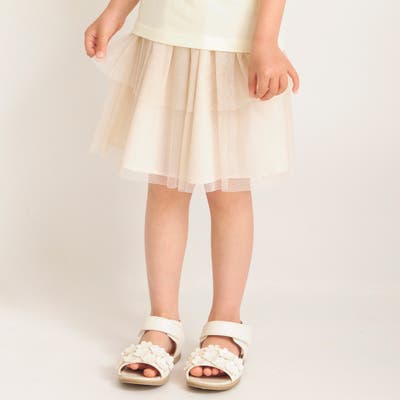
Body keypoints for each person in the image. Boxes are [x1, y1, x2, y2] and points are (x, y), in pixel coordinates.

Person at [84, 0, 299, 391]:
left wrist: (266, 41)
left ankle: (226, 321)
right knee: (165, 185)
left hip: (232, 42)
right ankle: (162, 320)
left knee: (228, 189)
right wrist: (116, 11)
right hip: (165, 36)